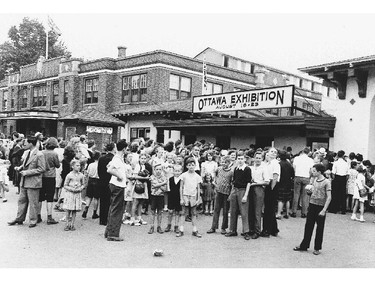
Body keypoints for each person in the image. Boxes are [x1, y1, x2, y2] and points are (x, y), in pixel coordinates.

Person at [293, 163, 331, 255]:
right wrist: (309, 192)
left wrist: (324, 210)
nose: (312, 172)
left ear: (319, 172)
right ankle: (304, 245)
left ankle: (317, 248)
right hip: (312, 204)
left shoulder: (326, 182)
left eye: (314, 171)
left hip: (321, 206)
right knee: (308, 226)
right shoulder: (314, 180)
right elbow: (313, 192)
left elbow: (329, 197)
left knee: (319, 228)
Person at [8, 136, 46, 228]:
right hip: (24, 181)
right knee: (21, 200)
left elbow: (42, 169)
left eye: (25, 143)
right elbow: (26, 164)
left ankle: (33, 220)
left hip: (33, 182)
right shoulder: (27, 153)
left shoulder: (39, 154)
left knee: (33, 202)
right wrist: (20, 168)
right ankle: (19, 218)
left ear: (31, 143)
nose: (24, 145)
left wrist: (27, 172)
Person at [104, 139, 128, 241]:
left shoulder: (117, 158)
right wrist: (119, 176)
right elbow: (109, 169)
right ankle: (113, 234)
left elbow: (108, 166)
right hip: (118, 185)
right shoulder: (117, 158)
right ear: (124, 149)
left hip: (115, 185)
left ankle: (109, 231)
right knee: (117, 210)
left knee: (113, 208)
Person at [226, 151, 252, 240]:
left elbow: (249, 183)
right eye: (239, 159)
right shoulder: (236, 169)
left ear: (245, 159)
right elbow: (234, 182)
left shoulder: (247, 169)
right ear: (236, 159)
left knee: (244, 212)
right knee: (233, 211)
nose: (240, 160)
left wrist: (246, 195)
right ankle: (232, 230)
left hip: (243, 191)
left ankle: (246, 231)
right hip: (235, 190)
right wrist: (231, 193)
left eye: (242, 159)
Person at [207, 156, 233, 235]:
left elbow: (232, 183)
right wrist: (215, 181)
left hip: (226, 193)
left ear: (229, 163)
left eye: (225, 162)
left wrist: (230, 194)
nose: (223, 164)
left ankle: (223, 228)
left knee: (225, 211)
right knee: (216, 210)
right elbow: (214, 175)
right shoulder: (218, 169)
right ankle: (213, 227)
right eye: (222, 162)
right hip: (218, 192)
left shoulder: (231, 172)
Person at [177, 157, 203, 238]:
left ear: (195, 165)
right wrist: (181, 198)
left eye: (192, 165)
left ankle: (195, 230)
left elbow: (198, 188)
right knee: (183, 213)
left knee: (194, 213)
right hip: (185, 196)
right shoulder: (183, 175)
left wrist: (198, 198)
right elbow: (181, 187)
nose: (191, 166)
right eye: (189, 165)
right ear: (186, 166)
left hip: (193, 196)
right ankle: (181, 230)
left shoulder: (197, 176)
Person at [38, 137, 60, 225]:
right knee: (50, 197)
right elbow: (57, 165)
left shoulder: (41, 153)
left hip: (42, 176)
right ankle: (49, 217)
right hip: (51, 176)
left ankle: (38, 215)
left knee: (40, 196)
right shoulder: (54, 154)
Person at [248, 151, 269, 239]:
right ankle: (251, 229)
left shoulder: (264, 168)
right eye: (256, 158)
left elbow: (267, 181)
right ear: (254, 158)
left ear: (262, 159)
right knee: (250, 210)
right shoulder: (251, 168)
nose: (258, 160)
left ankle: (257, 231)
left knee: (257, 211)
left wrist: (257, 183)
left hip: (259, 188)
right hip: (250, 189)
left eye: (259, 158)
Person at [261, 148, 280, 237]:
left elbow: (275, 176)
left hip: (272, 185)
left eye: (275, 152)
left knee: (269, 209)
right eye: (271, 151)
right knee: (269, 209)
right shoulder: (267, 163)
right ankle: (274, 229)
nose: (273, 153)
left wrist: (272, 188)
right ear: (267, 153)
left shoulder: (275, 163)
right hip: (267, 185)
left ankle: (266, 230)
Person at [291, 147, 314, 218]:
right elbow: (311, 170)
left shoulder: (297, 158)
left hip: (298, 176)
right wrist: (309, 176)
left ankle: (294, 211)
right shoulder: (310, 160)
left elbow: (294, 167)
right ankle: (304, 212)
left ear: (302, 151)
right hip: (306, 177)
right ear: (309, 152)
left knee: (296, 194)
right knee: (305, 195)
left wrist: (295, 174)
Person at [62, 159, 85, 231]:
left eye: (79, 166)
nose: (79, 167)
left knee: (74, 209)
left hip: (77, 194)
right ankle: (67, 224)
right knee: (68, 209)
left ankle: (72, 224)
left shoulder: (81, 175)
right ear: (72, 166)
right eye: (77, 166)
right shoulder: (69, 175)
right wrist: (71, 189)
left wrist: (80, 188)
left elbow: (83, 184)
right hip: (70, 194)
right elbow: (65, 185)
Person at [129, 153, 149, 226]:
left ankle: (139, 218)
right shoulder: (137, 166)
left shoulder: (144, 166)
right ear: (139, 159)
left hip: (143, 185)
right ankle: (132, 218)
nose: (143, 160)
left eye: (144, 158)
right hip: (138, 185)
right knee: (135, 202)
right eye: (142, 158)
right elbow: (135, 176)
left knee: (141, 202)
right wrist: (145, 178)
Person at [98, 143, 116, 225]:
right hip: (110, 181)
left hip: (102, 182)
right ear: (113, 149)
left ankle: (102, 219)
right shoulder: (114, 159)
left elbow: (99, 171)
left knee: (102, 201)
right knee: (110, 201)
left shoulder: (101, 158)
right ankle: (108, 219)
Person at [148, 164, 168, 234]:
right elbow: (154, 185)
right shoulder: (152, 177)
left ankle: (159, 226)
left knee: (160, 211)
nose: (158, 171)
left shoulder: (164, 177)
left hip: (161, 196)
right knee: (152, 211)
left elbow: (164, 189)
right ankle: (151, 226)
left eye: (160, 169)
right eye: (157, 169)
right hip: (153, 195)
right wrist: (163, 183)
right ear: (154, 170)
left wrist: (160, 185)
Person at [82, 151, 101, 219]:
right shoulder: (99, 165)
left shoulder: (90, 165)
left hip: (90, 180)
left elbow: (87, 173)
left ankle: (86, 209)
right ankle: (94, 212)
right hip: (97, 180)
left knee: (89, 196)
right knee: (96, 198)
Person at [276, 151, 295, 219]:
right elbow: (293, 174)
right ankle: (287, 213)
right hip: (288, 183)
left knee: (280, 199)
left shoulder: (279, 164)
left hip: (281, 183)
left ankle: (278, 213)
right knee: (287, 199)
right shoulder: (289, 164)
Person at [165, 164, 183, 233]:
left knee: (177, 212)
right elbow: (168, 189)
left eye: (178, 171)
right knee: (170, 212)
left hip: (178, 197)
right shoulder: (170, 179)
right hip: (171, 197)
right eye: (176, 171)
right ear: (173, 171)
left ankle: (176, 226)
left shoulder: (182, 179)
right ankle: (168, 225)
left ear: (181, 171)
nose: (177, 172)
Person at [331, 150, 349, 214]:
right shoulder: (346, 163)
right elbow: (347, 174)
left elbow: (333, 172)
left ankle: (334, 209)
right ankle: (343, 210)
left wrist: (334, 179)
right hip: (343, 178)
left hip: (337, 177)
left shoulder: (336, 163)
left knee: (335, 194)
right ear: (343, 155)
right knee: (343, 194)